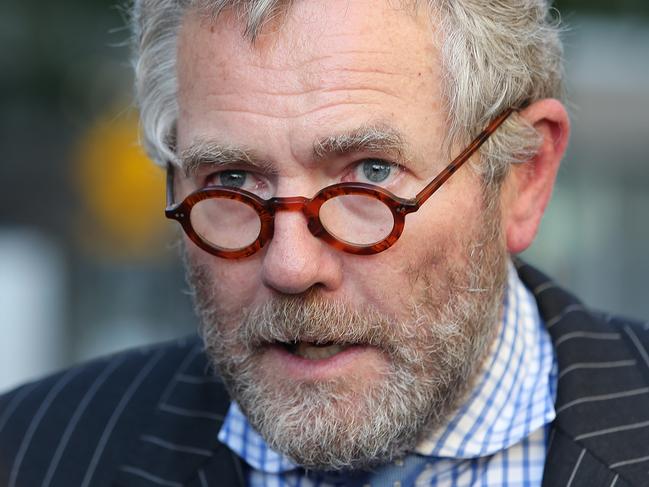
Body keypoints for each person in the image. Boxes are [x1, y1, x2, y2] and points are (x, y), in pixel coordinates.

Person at [2, 0, 649, 486]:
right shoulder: (31, 452)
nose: (290, 263)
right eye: (231, 179)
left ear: (523, 176)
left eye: (369, 172)